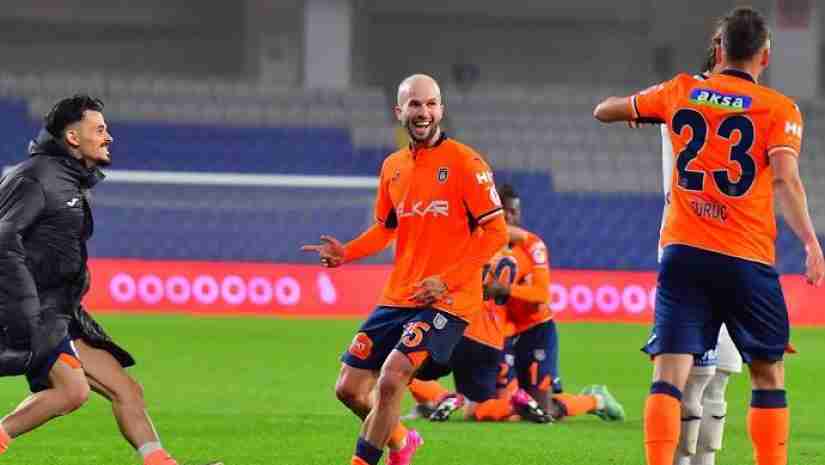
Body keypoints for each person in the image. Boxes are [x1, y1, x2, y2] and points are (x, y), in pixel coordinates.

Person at [594, 7, 824, 465]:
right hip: (745, 257)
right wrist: (811, 243)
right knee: (767, 375)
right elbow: (784, 180)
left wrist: (644, 111)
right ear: (765, 55)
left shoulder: (680, 91)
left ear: (719, 49)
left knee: (668, 375)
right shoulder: (779, 109)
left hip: (684, 252)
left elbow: (605, 110)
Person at [0, 95, 221, 465]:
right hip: (32, 309)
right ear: (73, 137)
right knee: (71, 391)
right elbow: (4, 240)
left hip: (60, 311)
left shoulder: (67, 180)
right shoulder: (35, 177)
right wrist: (24, 311)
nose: (109, 137)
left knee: (125, 389)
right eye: (99, 129)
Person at [302, 74, 508, 465]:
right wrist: (347, 252)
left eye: (430, 104)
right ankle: (401, 440)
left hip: (448, 300)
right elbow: (386, 228)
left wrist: (446, 280)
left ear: (441, 109)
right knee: (349, 388)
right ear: (400, 111)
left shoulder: (466, 162)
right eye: (414, 104)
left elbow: (495, 231)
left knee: (392, 377)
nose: (423, 112)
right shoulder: (393, 166)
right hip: (400, 296)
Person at [632, 23, 745, 465]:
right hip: (698, 247)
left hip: (727, 250)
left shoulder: (681, 96)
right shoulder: (684, 94)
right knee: (690, 378)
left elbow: (623, 108)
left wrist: (634, 111)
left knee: (717, 379)